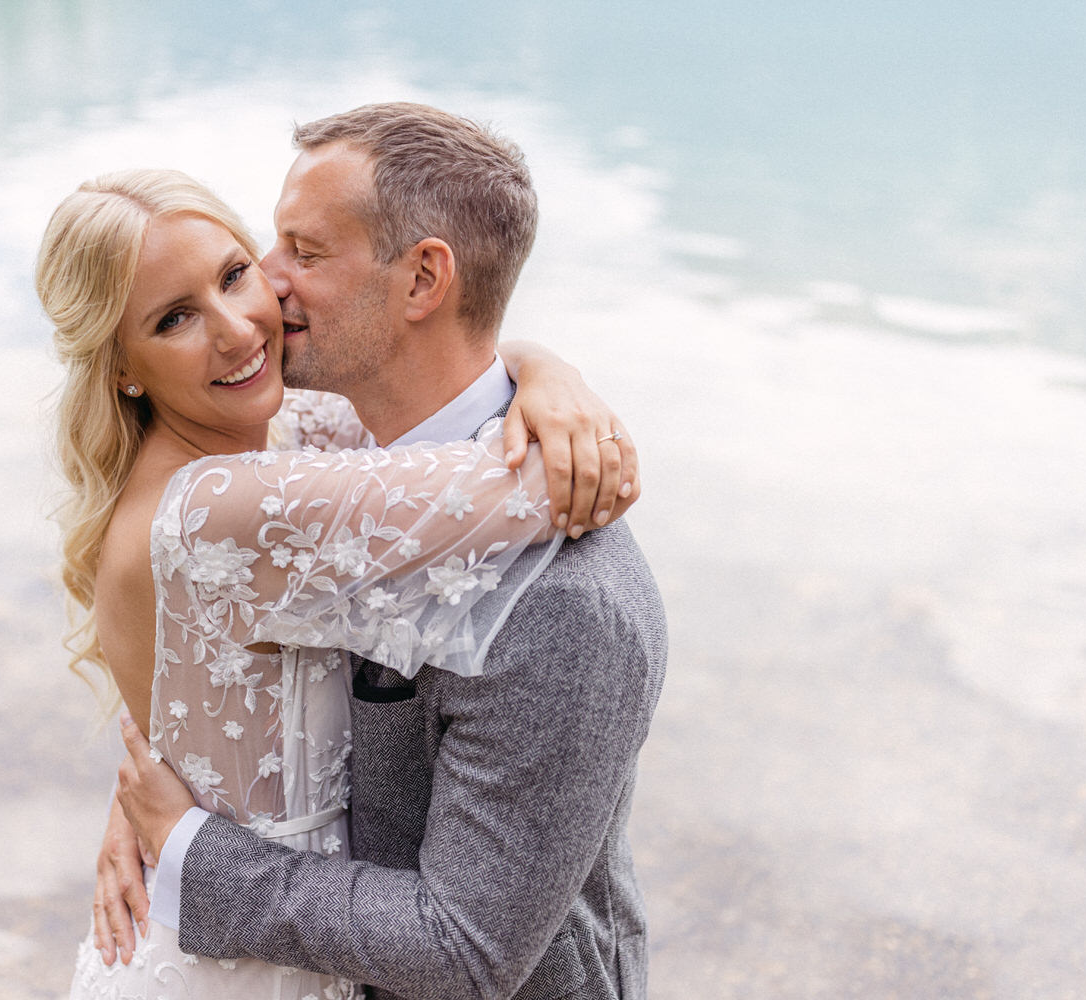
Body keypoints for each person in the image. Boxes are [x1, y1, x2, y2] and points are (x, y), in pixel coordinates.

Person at [101, 103, 667, 999]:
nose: (264, 292)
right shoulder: (333, 454)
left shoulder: (565, 602)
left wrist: (189, 852)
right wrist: (542, 369)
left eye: (303, 252)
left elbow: (468, 950)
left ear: (421, 281)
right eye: (266, 249)